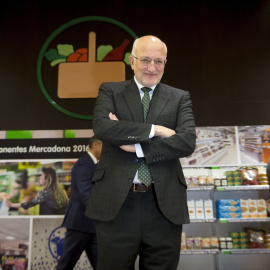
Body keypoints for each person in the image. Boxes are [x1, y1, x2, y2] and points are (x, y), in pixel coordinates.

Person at [85, 35, 196, 270]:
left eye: (159, 61)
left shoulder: (179, 97)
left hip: (164, 205)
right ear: (131, 61)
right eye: (145, 60)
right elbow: (104, 128)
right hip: (117, 204)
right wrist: (159, 130)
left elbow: (186, 142)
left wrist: (138, 146)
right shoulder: (111, 91)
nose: (152, 67)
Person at [56, 136, 102, 270]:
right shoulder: (83, 164)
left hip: (93, 226)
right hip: (79, 225)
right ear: (96, 145)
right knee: (65, 265)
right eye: (105, 145)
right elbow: (86, 194)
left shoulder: (95, 165)